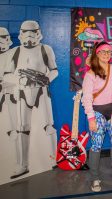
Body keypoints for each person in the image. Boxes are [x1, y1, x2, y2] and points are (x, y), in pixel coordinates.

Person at [3, 21, 58, 179]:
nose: (29, 35)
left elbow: (54, 71)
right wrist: (20, 81)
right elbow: (7, 74)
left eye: (33, 31)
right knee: (22, 128)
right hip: (22, 91)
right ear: (20, 33)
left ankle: (53, 157)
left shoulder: (45, 49)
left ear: (38, 32)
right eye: (26, 32)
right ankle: (22, 164)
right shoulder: (14, 52)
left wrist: (45, 79)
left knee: (49, 126)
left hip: (41, 90)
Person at [81, 41, 112, 192]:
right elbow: (87, 99)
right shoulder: (90, 74)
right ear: (96, 53)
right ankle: (94, 177)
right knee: (96, 145)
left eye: (109, 52)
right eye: (103, 51)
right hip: (97, 112)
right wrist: (91, 118)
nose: (106, 54)